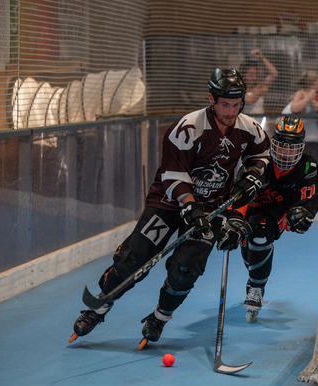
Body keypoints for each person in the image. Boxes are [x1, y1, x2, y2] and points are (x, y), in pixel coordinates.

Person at [69, 68, 270, 345]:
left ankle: (159, 317)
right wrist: (189, 205)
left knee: (186, 269)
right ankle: (98, 308)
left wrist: (253, 174)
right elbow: (172, 174)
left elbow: (261, 156)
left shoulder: (250, 129)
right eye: (225, 104)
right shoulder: (187, 128)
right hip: (168, 203)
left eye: (236, 105)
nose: (231, 111)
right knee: (133, 259)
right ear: (211, 99)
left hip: (211, 209)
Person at [238, 116, 318, 322]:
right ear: (273, 143)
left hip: (276, 213)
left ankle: (256, 289)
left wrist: (302, 214)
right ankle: (256, 280)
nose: (286, 152)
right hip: (251, 210)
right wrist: (234, 219)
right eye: (282, 145)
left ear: (301, 147)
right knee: (250, 253)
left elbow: (308, 201)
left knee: (259, 234)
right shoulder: (260, 161)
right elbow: (238, 195)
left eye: (292, 147)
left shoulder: (307, 166)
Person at [241, 49, 278, 115]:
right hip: (246, 120)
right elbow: (250, 100)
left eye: (255, 74)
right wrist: (260, 91)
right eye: (251, 75)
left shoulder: (259, 86)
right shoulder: (240, 89)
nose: (254, 78)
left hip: (260, 120)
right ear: (244, 75)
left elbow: (274, 74)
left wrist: (262, 58)